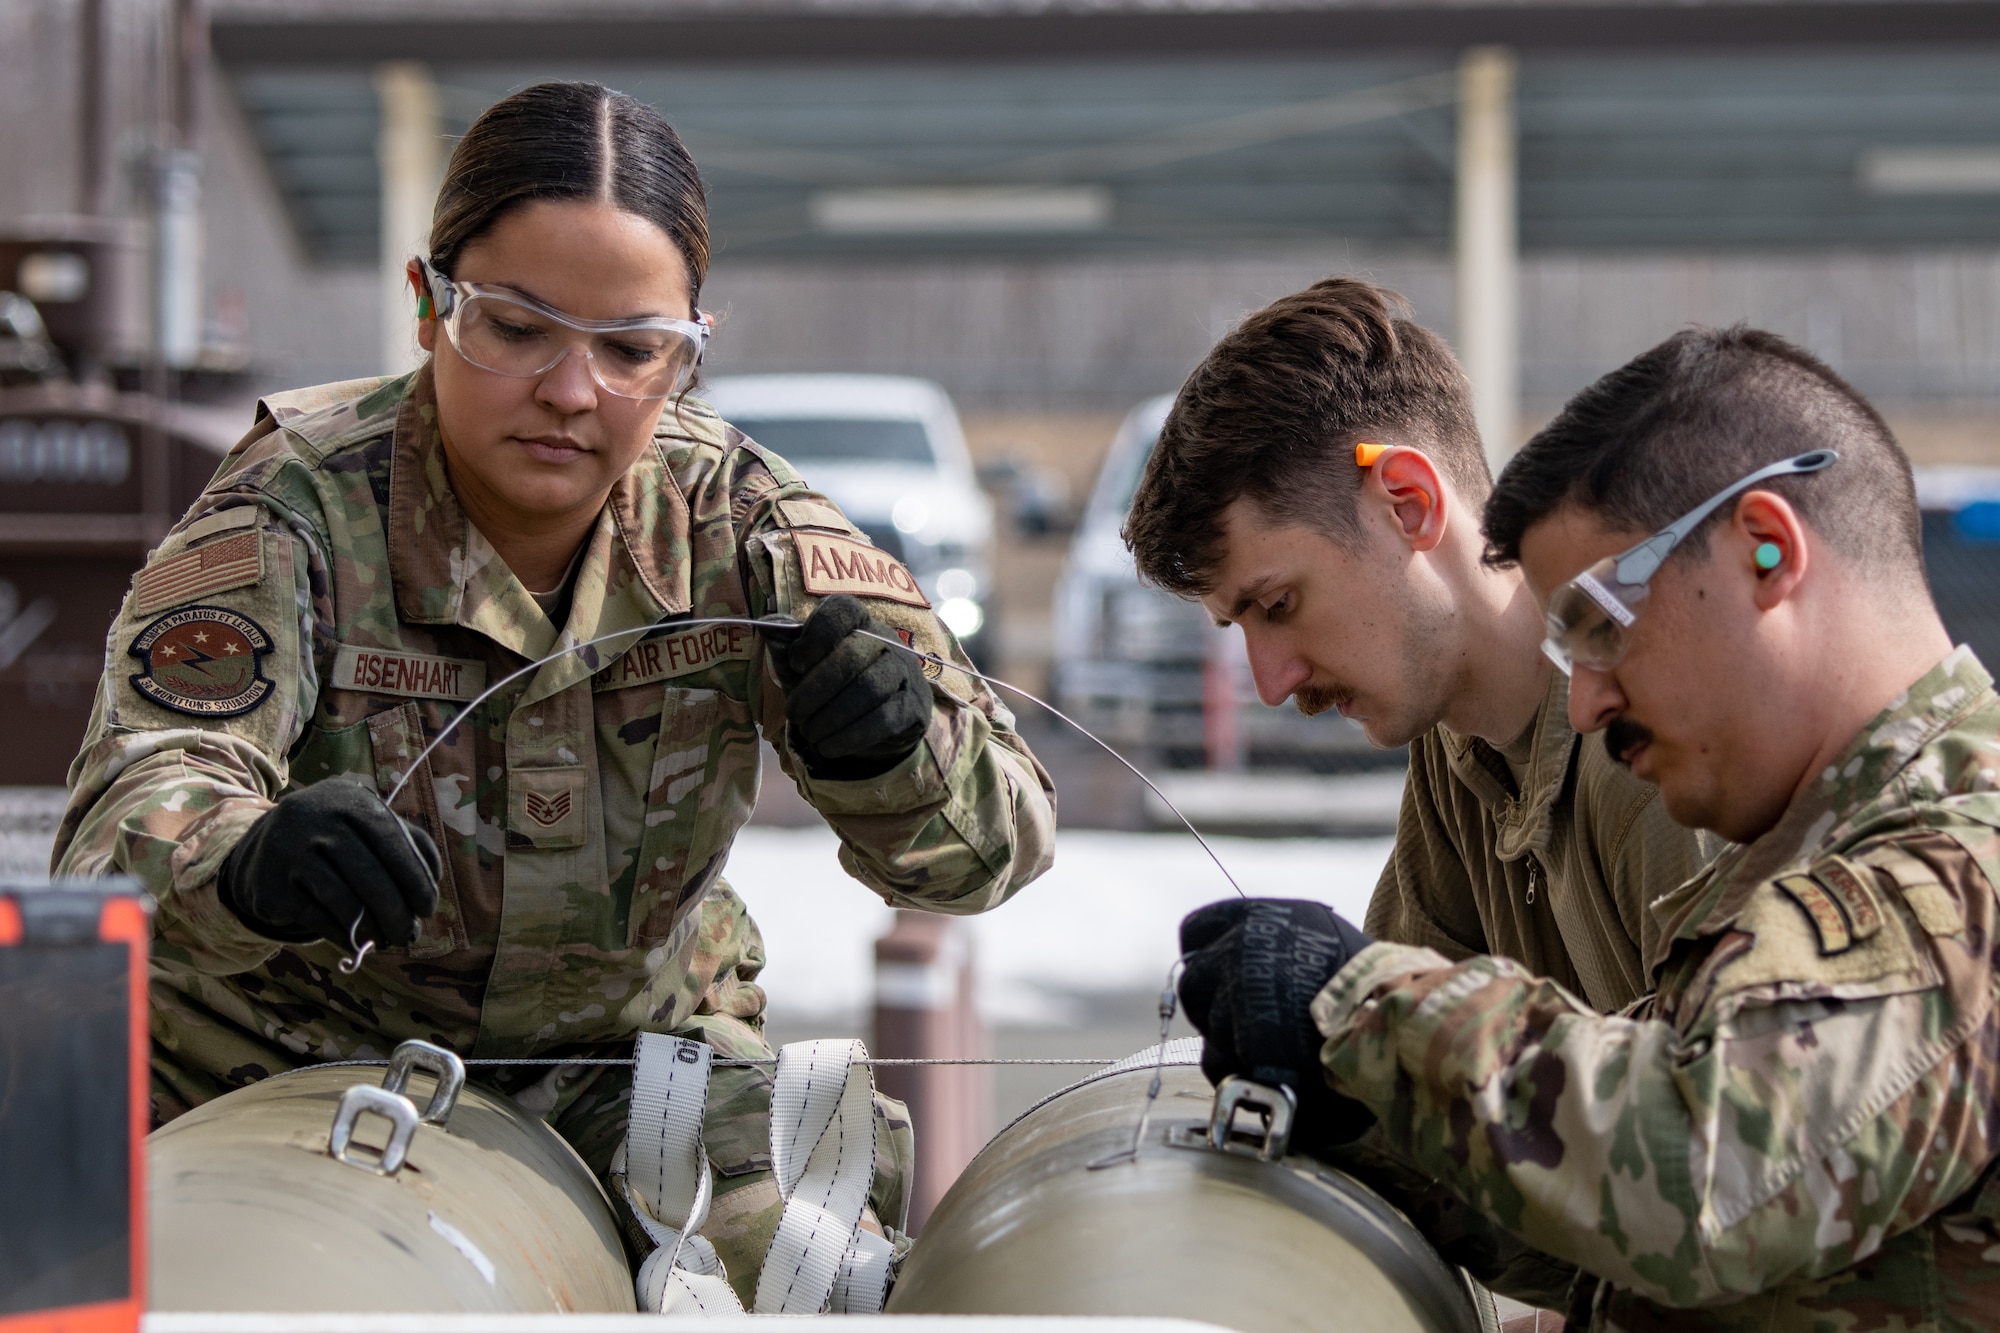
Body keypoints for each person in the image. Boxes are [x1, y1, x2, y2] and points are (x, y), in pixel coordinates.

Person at [53, 81, 1056, 1303]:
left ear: (688, 355)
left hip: (626, 1066)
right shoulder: (293, 514)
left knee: (802, 1275)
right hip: (274, 1056)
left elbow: (992, 847)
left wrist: (892, 758)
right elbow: (124, 822)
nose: (572, 393)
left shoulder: (741, 531)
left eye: (632, 350)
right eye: (517, 329)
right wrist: (244, 860)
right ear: (428, 308)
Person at [1176, 326, 2000, 1329]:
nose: (1581, 705)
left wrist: (1363, 1010)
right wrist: (1360, 1112)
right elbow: (1604, 1227)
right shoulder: (1822, 860)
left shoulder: (1957, 862)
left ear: (1765, 550)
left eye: (1601, 623)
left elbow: (1706, 1175)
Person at [1124, 277, 1709, 1019]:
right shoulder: (1458, 738)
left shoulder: (1658, 732)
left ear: (1409, 502)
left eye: (1278, 605)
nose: (1272, 683)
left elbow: (1723, 1115)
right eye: (1240, 627)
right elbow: (1407, 1070)